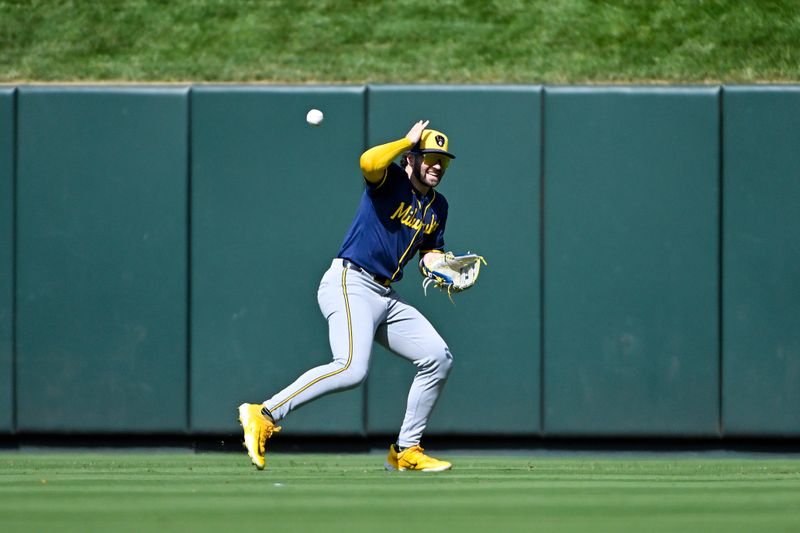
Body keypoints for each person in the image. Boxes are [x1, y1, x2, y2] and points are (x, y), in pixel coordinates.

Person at [238, 119, 456, 472]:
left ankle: (406, 450)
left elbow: (429, 251)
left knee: (438, 357)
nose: (436, 165)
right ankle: (263, 413)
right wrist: (406, 140)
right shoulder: (391, 181)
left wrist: (441, 263)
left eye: (442, 161)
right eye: (429, 157)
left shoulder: (438, 206)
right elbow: (368, 163)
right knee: (351, 368)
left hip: (385, 294)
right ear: (410, 159)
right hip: (350, 282)